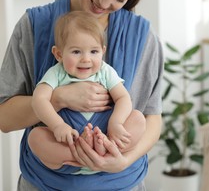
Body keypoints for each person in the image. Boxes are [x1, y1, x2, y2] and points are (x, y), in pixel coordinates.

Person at [0, 0, 163, 190]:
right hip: (45, 183)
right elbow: (4, 118)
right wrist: (59, 98)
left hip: (122, 182)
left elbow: (152, 118)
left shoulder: (142, 38)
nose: (106, 3)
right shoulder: (34, 26)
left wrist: (123, 161)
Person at [28, 11, 146, 172]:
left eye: (94, 51)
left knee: (138, 118)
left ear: (103, 51)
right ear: (59, 54)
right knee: (35, 138)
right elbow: (39, 100)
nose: (86, 59)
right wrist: (58, 126)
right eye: (76, 52)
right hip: (70, 139)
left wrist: (116, 123)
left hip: (106, 132)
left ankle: (106, 147)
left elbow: (123, 98)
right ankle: (80, 153)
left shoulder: (105, 71)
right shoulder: (56, 73)